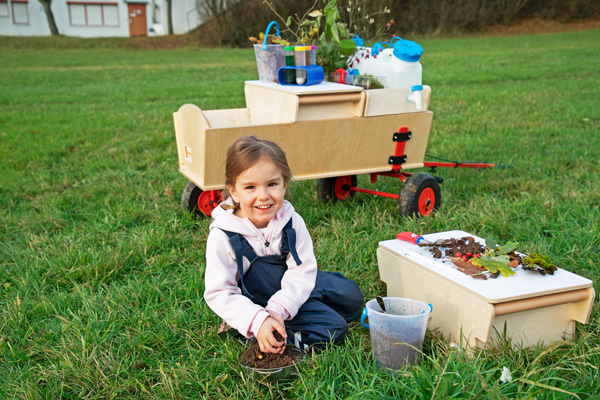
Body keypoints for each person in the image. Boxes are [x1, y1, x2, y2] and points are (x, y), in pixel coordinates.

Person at [204, 135, 364, 354]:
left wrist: (280, 307)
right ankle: (256, 329)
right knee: (334, 328)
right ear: (234, 192)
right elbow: (220, 292)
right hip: (255, 302)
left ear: (284, 184)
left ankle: (287, 312)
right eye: (250, 187)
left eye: (272, 184)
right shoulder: (223, 235)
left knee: (351, 298)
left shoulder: (291, 221)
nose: (263, 196)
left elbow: (302, 270)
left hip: (291, 285)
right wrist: (260, 318)